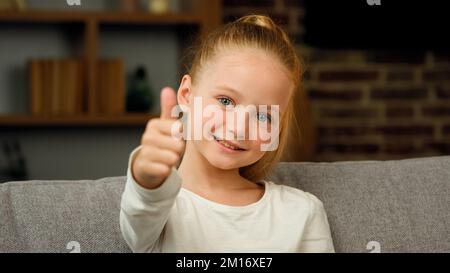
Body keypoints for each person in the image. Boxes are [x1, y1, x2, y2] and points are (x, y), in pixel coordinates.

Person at [120, 15, 334, 253]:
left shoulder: (302, 212)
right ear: (186, 94)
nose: (239, 128)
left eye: (263, 116)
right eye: (225, 100)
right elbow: (142, 207)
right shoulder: (159, 213)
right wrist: (146, 175)